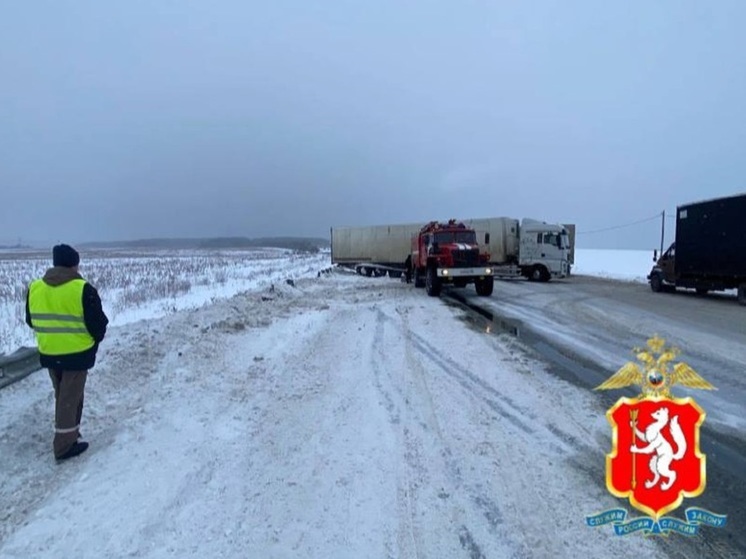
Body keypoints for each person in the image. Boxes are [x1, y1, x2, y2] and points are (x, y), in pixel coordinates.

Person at [25, 244, 109, 462]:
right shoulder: (83, 289)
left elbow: (30, 320)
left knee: (64, 396)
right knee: (69, 399)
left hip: (50, 353)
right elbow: (98, 325)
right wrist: (93, 341)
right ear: (74, 264)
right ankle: (64, 446)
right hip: (77, 353)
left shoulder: (35, 288)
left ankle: (70, 431)